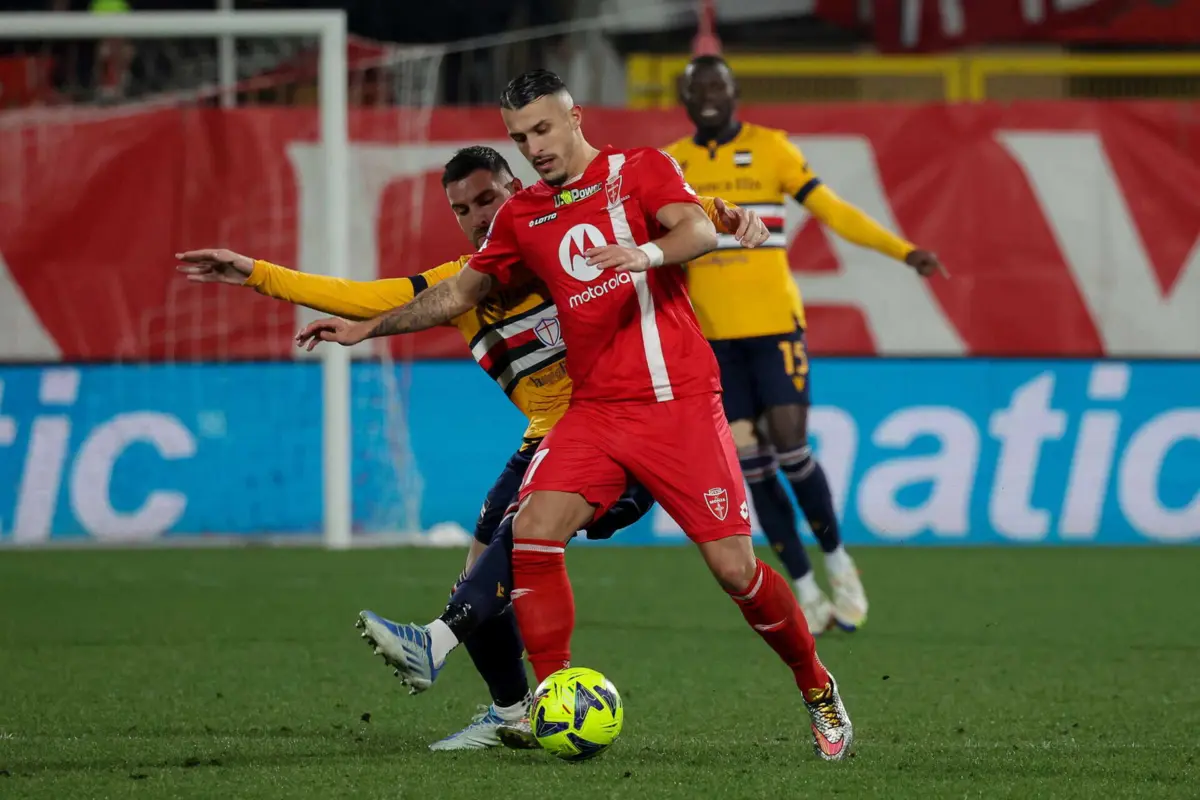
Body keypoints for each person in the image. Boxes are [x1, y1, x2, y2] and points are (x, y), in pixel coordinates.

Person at [296, 69, 854, 761]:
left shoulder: (640, 170)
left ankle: (817, 686)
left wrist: (643, 253)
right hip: (595, 412)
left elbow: (695, 230)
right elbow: (456, 294)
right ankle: (552, 698)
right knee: (532, 531)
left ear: (575, 118)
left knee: (735, 570)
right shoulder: (522, 215)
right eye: (519, 137)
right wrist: (368, 328)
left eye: (542, 129)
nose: (534, 147)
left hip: (678, 403)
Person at [175, 145, 768, 751]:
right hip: (545, 437)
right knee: (479, 577)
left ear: (518, 189)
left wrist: (725, 212)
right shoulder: (462, 284)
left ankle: (434, 641)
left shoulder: (571, 244)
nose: (479, 216)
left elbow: (666, 211)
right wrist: (254, 273)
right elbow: (361, 295)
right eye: (462, 209)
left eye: (488, 199)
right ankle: (511, 710)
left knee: (515, 542)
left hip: (622, 428)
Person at [664, 54, 948, 633]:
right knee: (752, 463)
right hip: (713, 338)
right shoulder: (671, 164)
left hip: (773, 325)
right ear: (685, 99)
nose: (710, 97)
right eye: (699, 89)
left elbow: (832, 210)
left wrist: (904, 251)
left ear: (735, 92)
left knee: (791, 446)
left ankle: (839, 562)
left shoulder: (772, 148)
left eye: (718, 86)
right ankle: (805, 587)